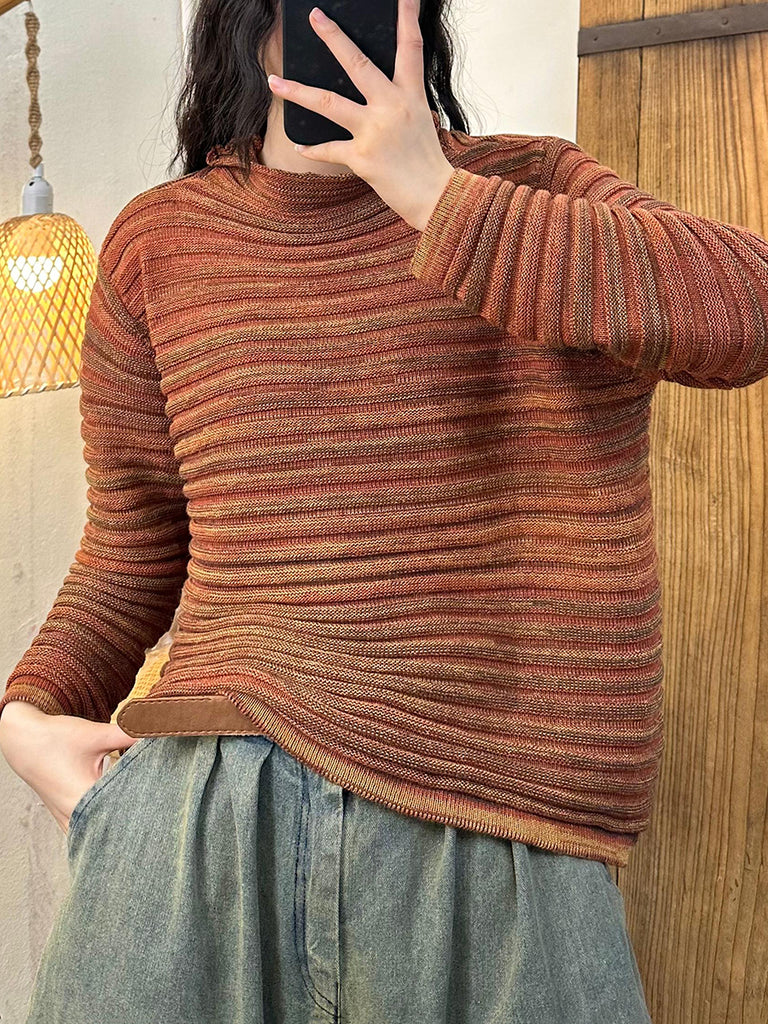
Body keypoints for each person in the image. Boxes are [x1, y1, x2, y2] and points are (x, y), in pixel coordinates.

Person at [3, 0, 768, 1021]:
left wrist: (434, 195)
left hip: (496, 833)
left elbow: (748, 307)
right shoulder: (161, 241)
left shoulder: (530, 185)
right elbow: (132, 543)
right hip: (198, 819)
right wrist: (27, 714)